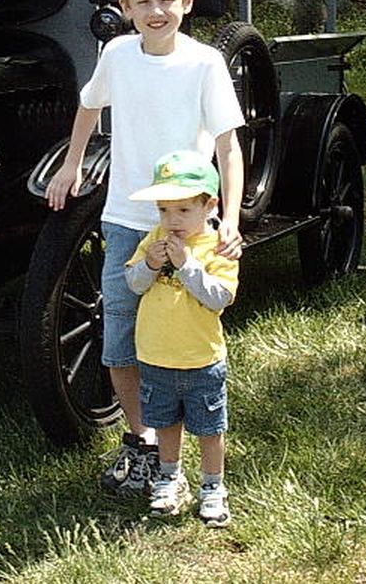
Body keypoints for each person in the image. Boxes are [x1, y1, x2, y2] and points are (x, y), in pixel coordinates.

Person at [44, 0, 244, 497]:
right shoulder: (117, 54)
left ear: (188, 2)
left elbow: (228, 145)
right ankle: (143, 441)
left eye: (166, 0)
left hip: (187, 224)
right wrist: (70, 165)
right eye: (144, 1)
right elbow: (89, 107)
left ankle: (194, 450)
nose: (156, 11)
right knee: (119, 340)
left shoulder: (204, 63)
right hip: (126, 220)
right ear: (127, 8)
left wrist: (228, 217)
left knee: (183, 330)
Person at [125, 150, 238, 526]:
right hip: (155, 356)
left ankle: (213, 486)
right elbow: (134, 283)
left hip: (201, 359)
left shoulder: (218, 247)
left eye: (183, 210)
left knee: (209, 429)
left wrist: (186, 265)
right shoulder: (153, 240)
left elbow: (219, 297)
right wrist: (150, 264)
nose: (172, 221)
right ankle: (169, 478)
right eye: (163, 210)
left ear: (209, 206)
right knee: (165, 423)